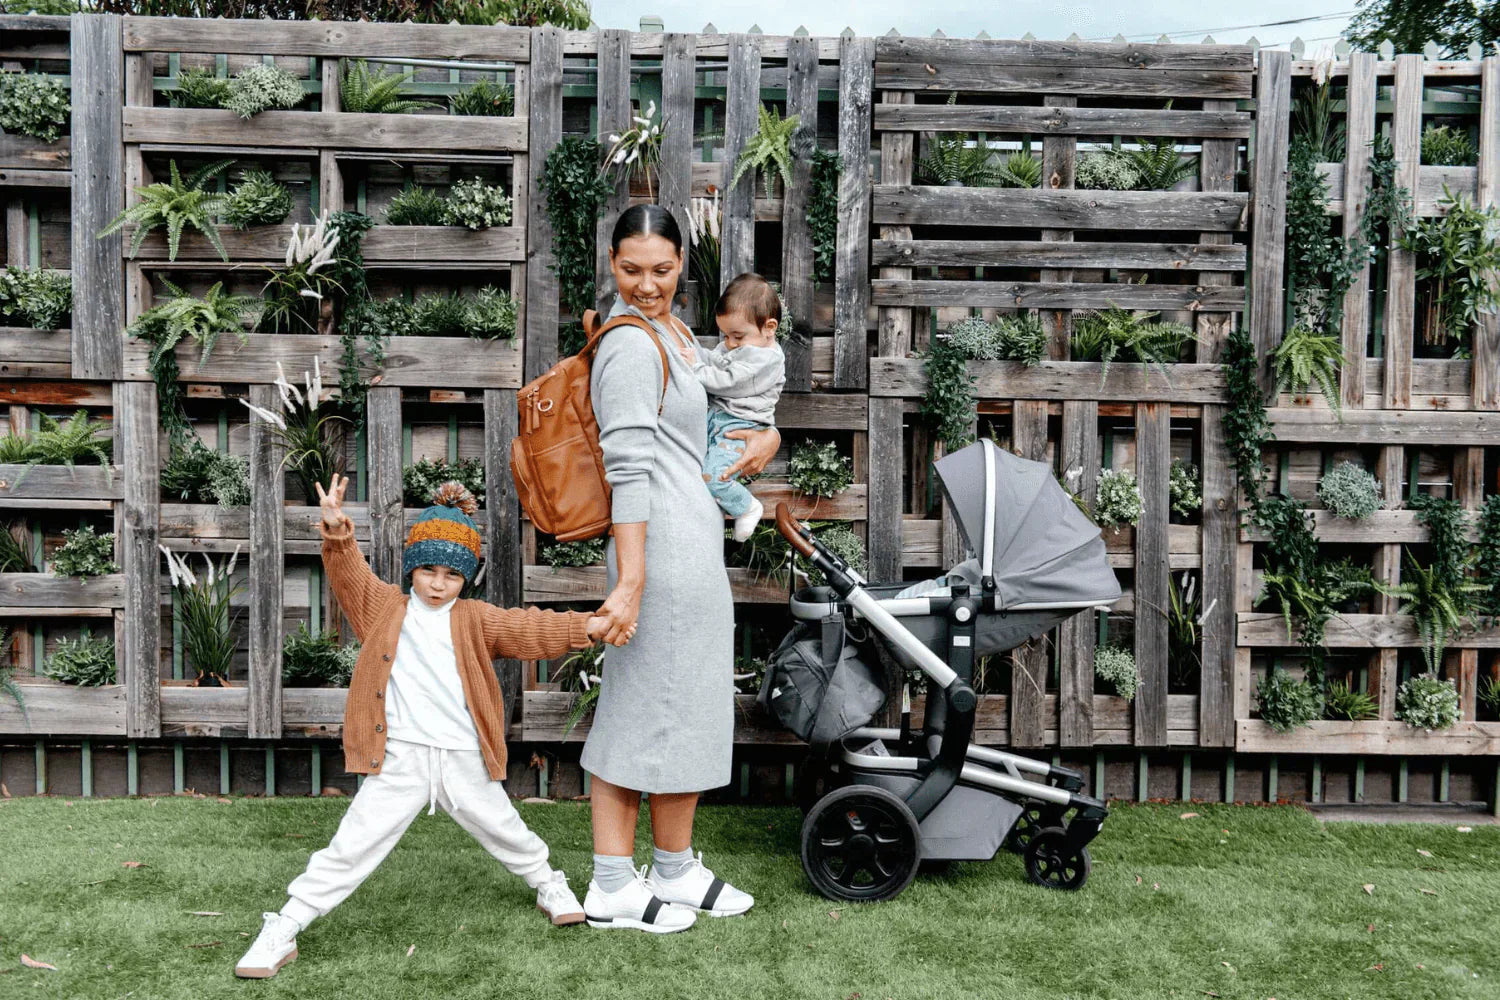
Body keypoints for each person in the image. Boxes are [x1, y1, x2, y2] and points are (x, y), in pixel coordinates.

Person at [235, 475, 609, 979]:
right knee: (352, 845)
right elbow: (349, 574)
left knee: (505, 829)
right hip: (399, 759)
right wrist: (336, 529)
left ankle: (549, 884)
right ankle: (285, 925)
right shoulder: (384, 608)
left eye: (451, 575)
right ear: (412, 568)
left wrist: (587, 627)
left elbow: (531, 627)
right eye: (428, 570)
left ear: (466, 578)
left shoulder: (478, 619)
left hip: (463, 757)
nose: (437, 583)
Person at [580, 204, 781, 933]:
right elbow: (628, 469)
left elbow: (722, 417)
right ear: (612, 263)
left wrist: (770, 436)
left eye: (661, 270)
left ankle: (672, 866)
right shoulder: (629, 345)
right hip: (656, 553)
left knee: (689, 710)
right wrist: (631, 581)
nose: (646, 284)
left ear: (681, 268)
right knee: (637, 714)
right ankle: (609, 884)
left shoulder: (675, 335)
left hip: (691, 548)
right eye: (631, 269)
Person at [682, 273, 787, 542]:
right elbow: (716, 361)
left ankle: (747, 507)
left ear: (769, 327)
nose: (729, 343)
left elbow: (727, 380)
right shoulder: (745, 345)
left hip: (740, 426)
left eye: (737, 336)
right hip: (721, 419)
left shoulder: (764, 359)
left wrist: (695, 367)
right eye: (726, 335)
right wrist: (698, 357)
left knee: (715, 477)